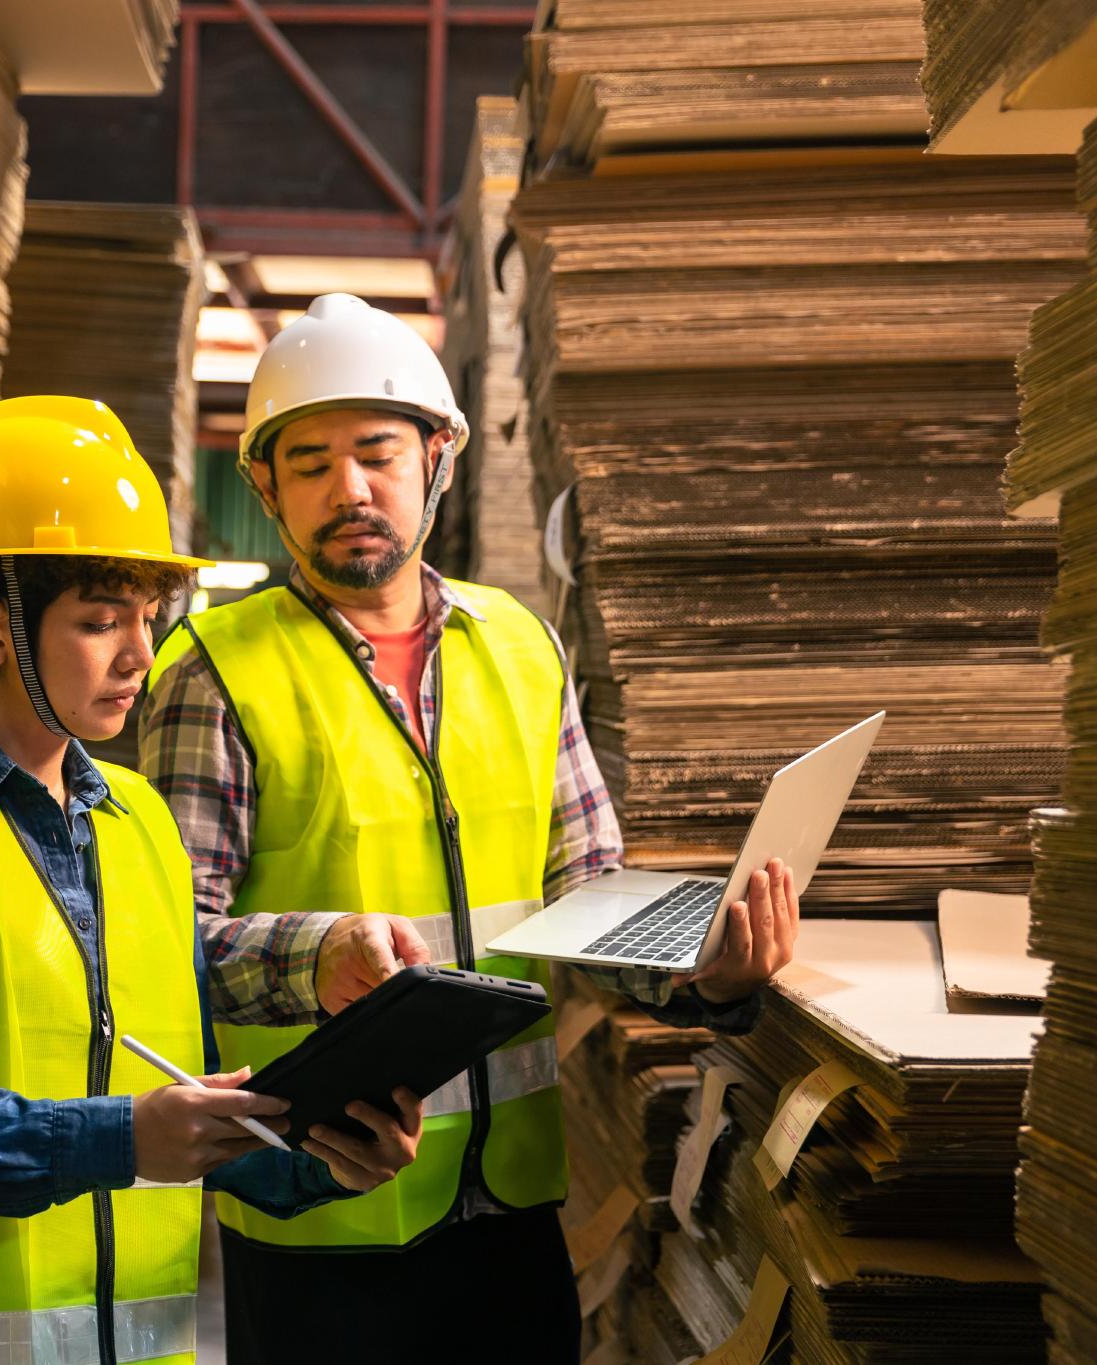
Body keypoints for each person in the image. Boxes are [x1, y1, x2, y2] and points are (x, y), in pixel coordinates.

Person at [141, 295, 799, 1363]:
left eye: (374, 453)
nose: (346, 489)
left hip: (508, 1207)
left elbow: (584, 890)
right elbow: (162, 947)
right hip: (324, 1210)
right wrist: (317, 955)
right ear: (261, 486)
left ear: (437, 456)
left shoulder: (521, 648)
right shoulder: (214, 674)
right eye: (306, 464)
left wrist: (704, 965)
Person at [0, 396, 422, 1365]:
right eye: (101, 622)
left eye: (146, 617)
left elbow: (168, 1101)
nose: (140, 654)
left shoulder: (139, 825)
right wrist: (120, 1142)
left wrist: (318, 1159)